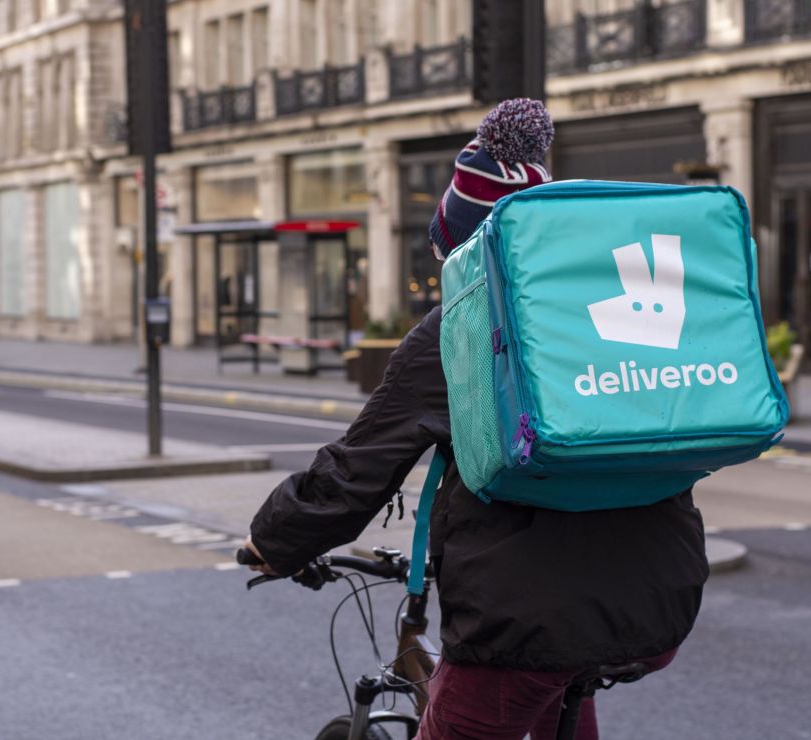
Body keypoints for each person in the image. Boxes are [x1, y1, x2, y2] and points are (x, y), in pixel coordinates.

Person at [245, 99, 709, 740]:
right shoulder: (609, 315)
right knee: (556, 681)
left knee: (521, 675)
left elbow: (361, 468)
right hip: (661, 592)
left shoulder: (461, 331)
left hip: (526, 615)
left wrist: (274, 541)